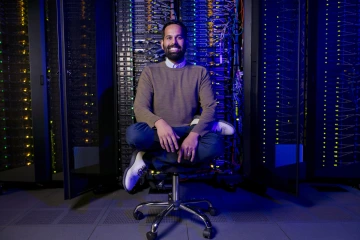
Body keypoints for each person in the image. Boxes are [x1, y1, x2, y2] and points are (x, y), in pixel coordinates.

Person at [122, 20, 234, 193]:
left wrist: (194, 134)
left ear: (186, 41)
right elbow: (140, 108)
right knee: (134, 134)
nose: (174, 42)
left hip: (188, 132)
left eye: (179, 37)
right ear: (162, 43)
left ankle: (147, 158)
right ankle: (209, 126)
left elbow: (210, 107)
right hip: (159, 134)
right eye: (169, 38)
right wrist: (160, 123)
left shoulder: (199, 72)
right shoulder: (150, 72)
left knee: (215, 146)